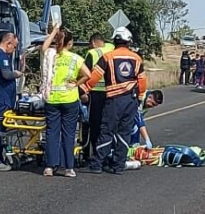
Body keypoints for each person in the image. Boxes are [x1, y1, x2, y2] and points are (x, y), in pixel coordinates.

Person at [79, 26, 147, 174]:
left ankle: (97, 164)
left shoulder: (107, 57)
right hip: (130, 101)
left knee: (107, 131)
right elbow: (142, 81)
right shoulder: (137, 58)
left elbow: (94, 77)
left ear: (115, 41)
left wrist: (81, 90)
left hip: (113, 101)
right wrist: (140, 98)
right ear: (128, 42)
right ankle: (118, 165)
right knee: (124, 133)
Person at [41, 29, 90, 177]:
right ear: (70, 43)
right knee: (69, 134)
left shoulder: (51, 55)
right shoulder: (75, 58)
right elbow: (88, 74)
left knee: (52, 132)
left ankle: (50, 166)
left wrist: (54, 31)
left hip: (52, 98)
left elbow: (44, 47)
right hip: (69, 99)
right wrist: (76, 84)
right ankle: (69, 168)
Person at [0, 31, 23, 171]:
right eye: (14, 46)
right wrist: (17, 74)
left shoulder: (1, 55)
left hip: (5, 98)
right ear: (8, 43)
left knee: (2, 130)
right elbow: (6, 75)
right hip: (1, 98)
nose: (14, 49)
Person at [82, 33, 115, 163]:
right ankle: (108, 154)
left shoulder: (93, 53)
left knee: (94, 125)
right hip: (112, 93)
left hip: (96, 93)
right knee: (108, 125)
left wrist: (82, 91)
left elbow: (85, 74)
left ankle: (94, 155)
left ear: (94, 43)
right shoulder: (113, 48)